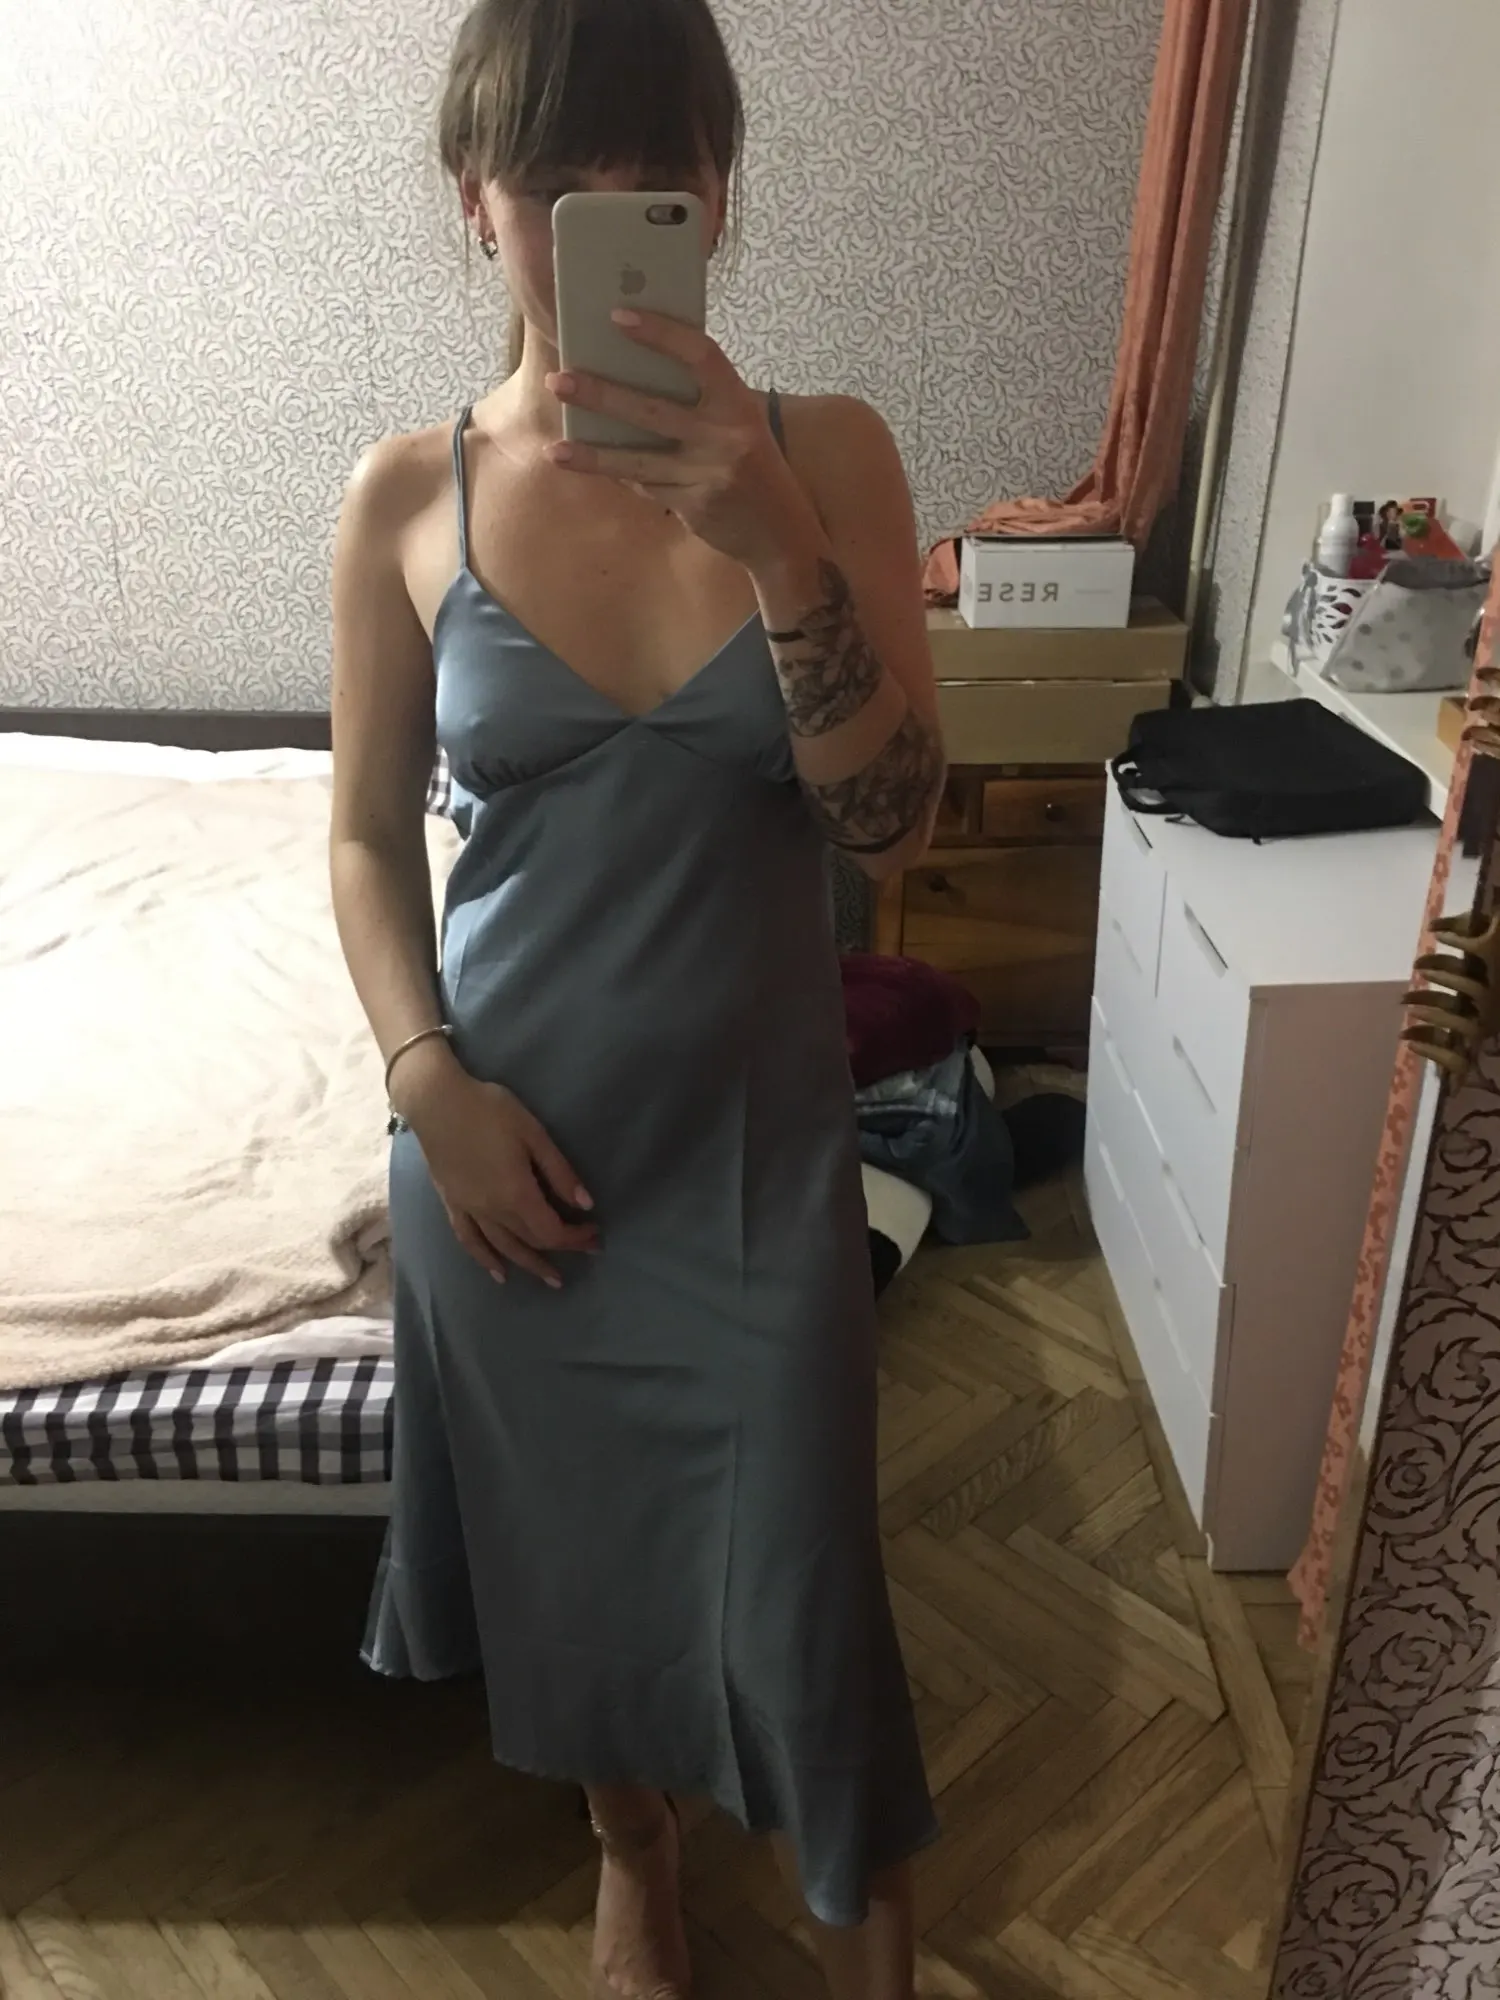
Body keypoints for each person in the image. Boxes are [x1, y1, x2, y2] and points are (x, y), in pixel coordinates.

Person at [328, 1, 945, 1994]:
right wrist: (426, 1087)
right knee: (578, 1569)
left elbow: (895, 823)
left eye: (654, 182)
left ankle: (856, 1924)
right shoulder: (405, 498)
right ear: (473, 200)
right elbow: (363, 843)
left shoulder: (828, 456)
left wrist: (773, 542)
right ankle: (633, 1851)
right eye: (552, 185)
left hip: (757, 1162)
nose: (599, 216)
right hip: (513, 1166)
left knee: (815, 1608)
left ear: (718, 196)